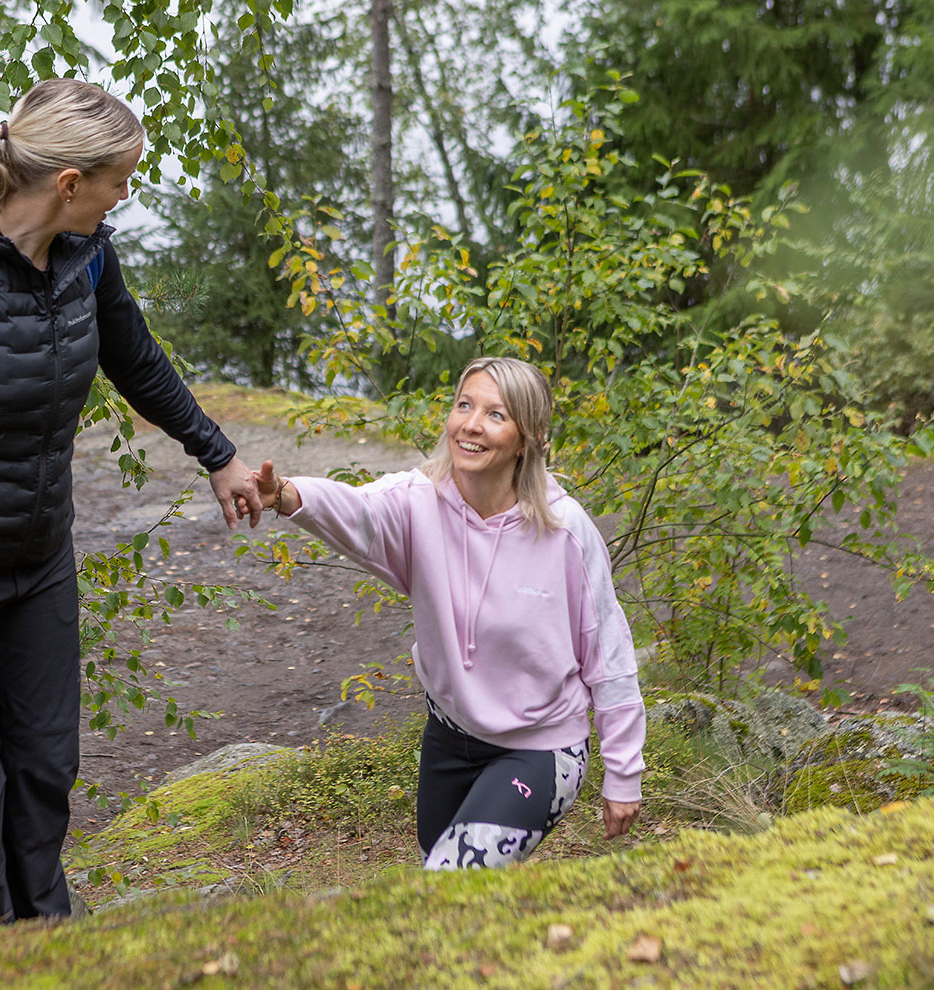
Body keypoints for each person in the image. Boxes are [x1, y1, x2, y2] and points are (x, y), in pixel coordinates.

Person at [0, 78, 262, 920]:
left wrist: (216, 456)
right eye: (121, 180)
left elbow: (137, 361)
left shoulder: (87, 254)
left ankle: (48, 939)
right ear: (69, 183)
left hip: (37, 561)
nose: (127, 195)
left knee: (42, 767)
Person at [253, 356, 644, 869]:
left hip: (541, 748)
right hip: (450, 736)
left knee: (450, 878)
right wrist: (284, 495)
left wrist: (623, 772)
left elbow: (608, 655)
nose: (472, 424)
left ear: (526, 438)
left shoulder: (564, 530)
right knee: (447, 894)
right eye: (464, 405)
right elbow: (356, 510)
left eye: (496, 414)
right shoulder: (418, 502)